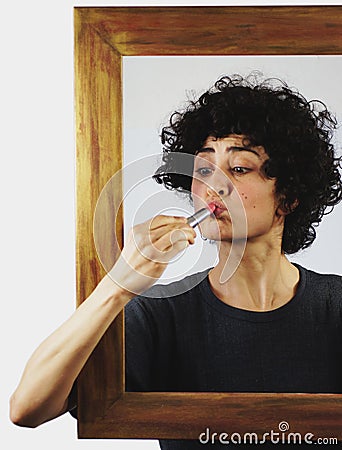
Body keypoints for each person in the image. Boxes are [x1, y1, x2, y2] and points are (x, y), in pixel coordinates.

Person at [10, 74, 342, 449]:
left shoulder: (336, 307)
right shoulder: (160, 316)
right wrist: (118, 286)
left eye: (239, 168)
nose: (214, 186)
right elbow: (28, 409)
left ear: (289, 196)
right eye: (203, 169)